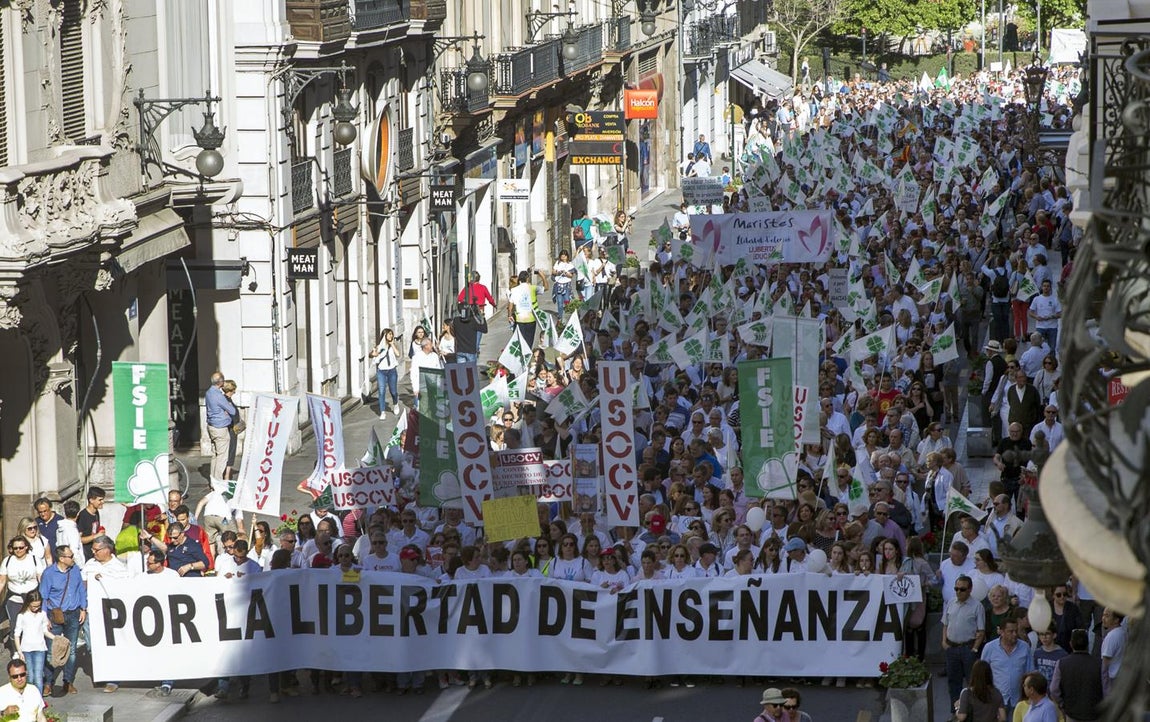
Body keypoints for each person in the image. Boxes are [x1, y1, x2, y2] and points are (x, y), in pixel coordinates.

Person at [38, 545, 84, 697]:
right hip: (55, 615)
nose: (73, 558)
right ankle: (48, 683)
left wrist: (83, 608)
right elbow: (43, 596)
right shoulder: (49, 574)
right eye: (70, 556)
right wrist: (44, 618)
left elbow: (80, 590)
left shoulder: (75, 570)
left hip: (73, 613)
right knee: (52, 651)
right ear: (62, 559)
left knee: (71, 651)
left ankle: (68, 681)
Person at [942, 574, 986, 708]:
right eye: (956, 589)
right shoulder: (951, 602)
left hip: (968, 648)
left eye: (962, 589)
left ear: (970, 589)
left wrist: (974, 649)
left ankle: (972, 711)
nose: (958, 592)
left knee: (972, 682)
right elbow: (945, 624)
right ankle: (955, 711)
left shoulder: (977, 606)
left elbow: (981, 630)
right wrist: (944, 642)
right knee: (953, 682)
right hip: (951, 647)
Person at [980, 616, 1033, 714]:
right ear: (1001, 631)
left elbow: (1030, 673)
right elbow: (982, 674)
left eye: (1016, 631)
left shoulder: (1025, 647)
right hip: (996, 700)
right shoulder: (989, 648)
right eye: (1010, 631)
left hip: (1018, 700)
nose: (1015, 634)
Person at [1049, 628, 1103, 721]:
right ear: (1087, 644)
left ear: (1071, 644)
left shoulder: (1062, 663)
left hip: (1071, 714)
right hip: (1094, 714)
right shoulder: (1099, 664)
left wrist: (1062, 705)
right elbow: (1107, 690)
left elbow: (1054, 690)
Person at [205, 370, 237, 481]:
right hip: (220, 428)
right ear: (220, 382)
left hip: (211, 426)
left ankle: (213, 480)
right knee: (222, 457)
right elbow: (232, 411)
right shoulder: (218, 396)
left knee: (215, 455)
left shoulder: (208, 392)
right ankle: (217, 482)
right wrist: (226, 409)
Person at [507, 269, 548, 348]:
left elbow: (510, 306)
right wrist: (542, 276)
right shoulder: (532, 288)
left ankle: (523, 356)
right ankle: (528, 356)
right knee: (529, 342)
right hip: (531, 318)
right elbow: (546, 288)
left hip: (519, 319)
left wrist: (509, 316)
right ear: (527, 278)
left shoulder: (514, 290)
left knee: (521, 341)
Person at [369, 328, 402, 418]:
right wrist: (373, 354)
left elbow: (398, 354)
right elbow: (371, 354)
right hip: (381, 371)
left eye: (391, 334)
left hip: (392, 370)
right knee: (382, 391)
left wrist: (392, 345)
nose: (390, 336)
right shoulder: (379, 346)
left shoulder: (394, 344)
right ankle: (382, 411)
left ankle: (395, 404)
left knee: (393, 391)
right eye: (388, 334)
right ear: (384, 336)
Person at [1099, 607, 1125, 696]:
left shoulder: (1112, 637)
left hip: (1114, 680)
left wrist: (1105, 689)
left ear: (1116, 620)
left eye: (1107, 616)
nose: (1103, 618)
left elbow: (1105, 667)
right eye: (1103, 615)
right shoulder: (1123, 632)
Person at [75, 487, 105, 561]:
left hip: (94, 553)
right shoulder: (83, 516)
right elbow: (79, 539)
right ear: (91, 500)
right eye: (100, 500)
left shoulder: (96, 513)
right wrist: (96, 536)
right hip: (85, 555)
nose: (103, 502)